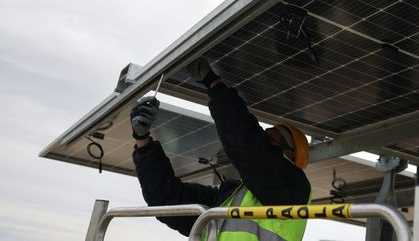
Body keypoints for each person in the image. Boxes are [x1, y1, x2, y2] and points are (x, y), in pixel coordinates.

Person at [130, 57, 312, 240]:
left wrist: (213, 83)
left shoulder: (295, 189)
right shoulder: (227, 199)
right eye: (265, 134)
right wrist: (142, 140)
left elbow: (248, 146)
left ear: (292, 155)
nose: (264, 137)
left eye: (273, 139)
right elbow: (167, 200)